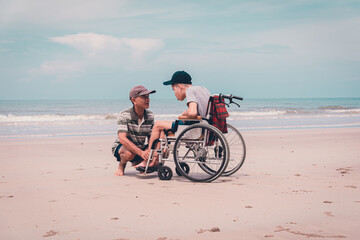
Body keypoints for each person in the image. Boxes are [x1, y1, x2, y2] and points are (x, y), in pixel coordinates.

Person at [139, 70, 211, 167]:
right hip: (204, 126)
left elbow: (193, 112)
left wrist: (185, 113)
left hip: (195, 128)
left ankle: (148, 157)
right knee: (163, 131)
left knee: (157, 125)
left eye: (174, 90)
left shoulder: (190, 91)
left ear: (180, 86)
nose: (174, 93)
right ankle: (156, 160)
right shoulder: (202, 89)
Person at [111, 85, 156, 176]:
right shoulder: (124, 115)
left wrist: (149, 150)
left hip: (140, 146)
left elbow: (151, 137)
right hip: (122, 147)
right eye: (144, 97)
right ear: (134, 100)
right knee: (128, 154)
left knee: (162, 150)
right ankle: (121, 165)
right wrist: (141, 153)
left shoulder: (150, 115)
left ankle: (138, 162)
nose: (147, 100)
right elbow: (122, 139)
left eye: (148, 97)